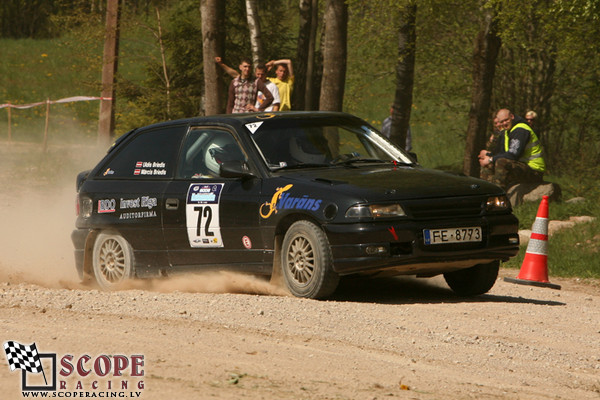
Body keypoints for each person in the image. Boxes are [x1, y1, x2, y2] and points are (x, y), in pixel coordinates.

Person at [478, 108, 545, 190]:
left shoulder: (521, 130)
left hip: (534, 170)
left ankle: (499, 195)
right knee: (488, 164)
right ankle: (487, 192)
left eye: (506, 120)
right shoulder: (507, 131)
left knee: (501, 162)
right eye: (502, 122)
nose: (504, 123)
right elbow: (501, 152)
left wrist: (490, 159)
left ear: (512, 116)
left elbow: (513, 155)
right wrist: (487, 155)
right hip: (521, 166)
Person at [215, 57, 280, 111]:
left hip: (249, 116)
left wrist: (258, 109)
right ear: (240, 67)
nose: (247, 69)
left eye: (249, 67)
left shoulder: (256, 81)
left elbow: (270, 97)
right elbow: (230, 103)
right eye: (245, 66)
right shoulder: (234, 82)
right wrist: (228, 118)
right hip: (236, 115)